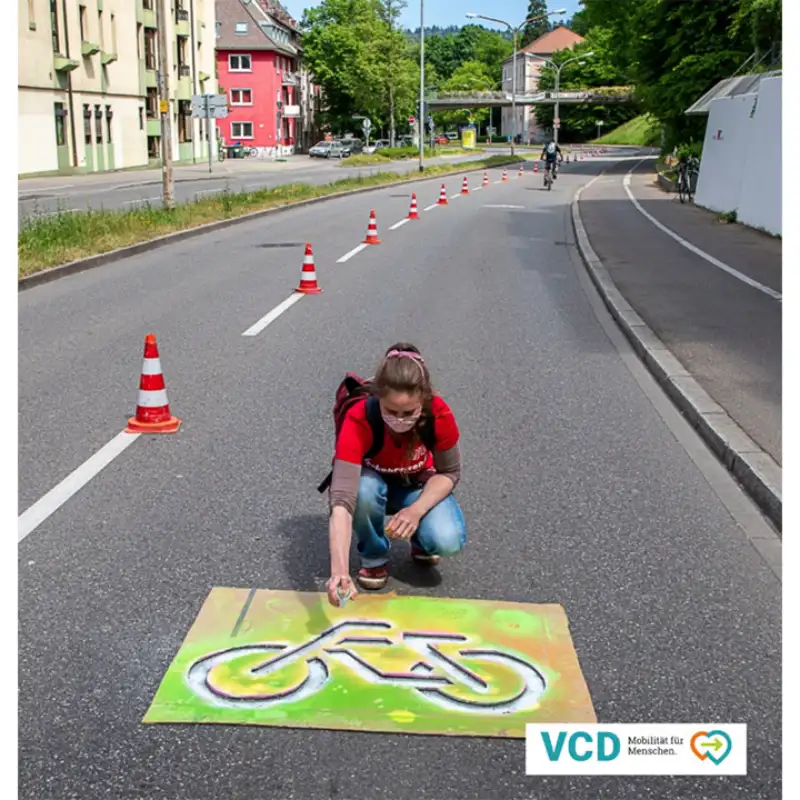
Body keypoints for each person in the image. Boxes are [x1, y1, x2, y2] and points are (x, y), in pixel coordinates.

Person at [326, 344, 466, 606]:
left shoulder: (438, 413)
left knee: (446, 540)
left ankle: (422, 541)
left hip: (416, 486)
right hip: (373, 485)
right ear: (378, 398)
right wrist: (339, 572)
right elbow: (342, 501)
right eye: (390, 411)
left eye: (408, 412)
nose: (399, 420)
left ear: (423, 401)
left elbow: (449, 472)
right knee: (363, 489)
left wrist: (416, 511)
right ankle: (373, 556)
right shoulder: (359, 417)